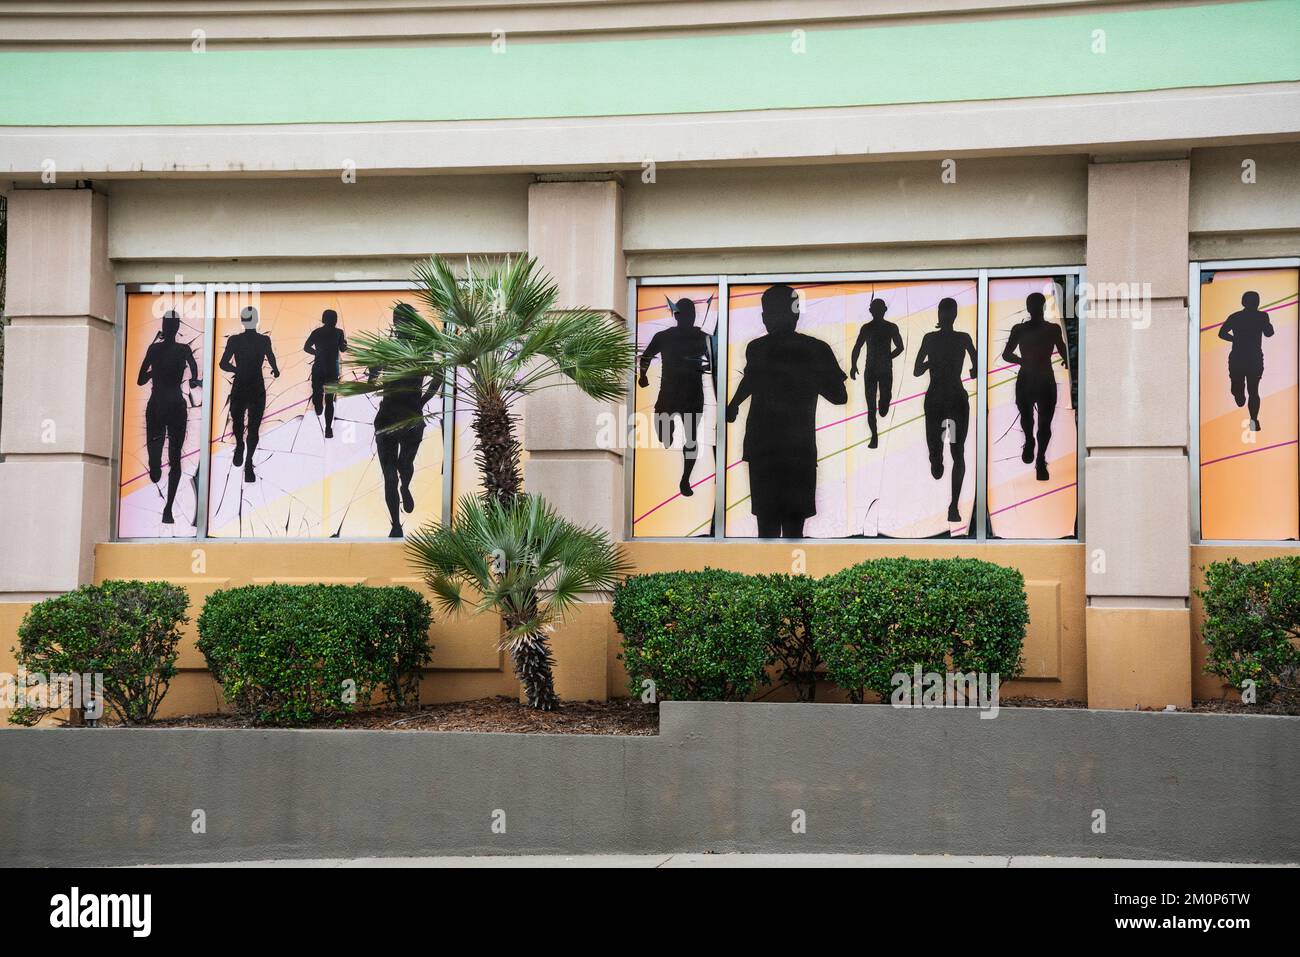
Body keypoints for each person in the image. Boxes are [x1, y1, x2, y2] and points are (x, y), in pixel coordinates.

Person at [726, 284, 847, 538]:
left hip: (765, 449)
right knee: (794, 527)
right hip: (796, 450)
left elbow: (749, 381)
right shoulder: (816, 349)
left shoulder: (757, 348)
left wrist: (734, 405)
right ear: (796, 314)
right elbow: (839, 396)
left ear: (764, 316)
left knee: (767, 527)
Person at [371, 303, 443, 538]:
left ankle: (405, 487)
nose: (400, 325)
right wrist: (422, 401)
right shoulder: (413, 348)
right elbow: (438, 376)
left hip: (404, 415)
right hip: (395, 416)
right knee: (391, 474)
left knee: (403, 467)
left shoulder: (415, 348)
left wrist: (423, 402)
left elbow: (438, 376)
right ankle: (395, 524)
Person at [638, 297, 712, 497]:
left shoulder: (701, 337)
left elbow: (714, 361)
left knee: (690, 438)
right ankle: (668, 435)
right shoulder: (666, 336)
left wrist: (643, 376)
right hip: (672, 393)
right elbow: (646, 357)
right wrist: (642, 376)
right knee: (670, 434)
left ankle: (685, 479)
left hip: (689, 394)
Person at [914, 298, 977, 525]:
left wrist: (973, 369)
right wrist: (932, 364)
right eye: (946, 312)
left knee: (957, 451)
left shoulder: (962, 338)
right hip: (939, 400)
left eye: (950, 312)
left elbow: (976, 359)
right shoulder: (931, 339)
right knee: (941, 446)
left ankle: (953, 505)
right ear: (942, 315)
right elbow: (916, 369)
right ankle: (936, 457)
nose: (948, 316)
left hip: (952, 399)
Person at [137, 309, 200, 525]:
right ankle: (168, 508)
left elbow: (141, 379)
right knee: (174, 460)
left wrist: (156, 372)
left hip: (161, 405)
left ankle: (168, 508)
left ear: (165, 327)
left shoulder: (156, 349)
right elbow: (194, 371)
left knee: (171, 459)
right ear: (177, 328)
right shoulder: (182, 350)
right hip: (173, 405)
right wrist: (193, 380)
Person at [1002, 292, 1068, 482]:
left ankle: (1037, 453)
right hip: (1041, 377)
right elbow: (1063, 350)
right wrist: (1067, 360)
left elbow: (1007, 354)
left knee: (1035, 420)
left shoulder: (1027, 329)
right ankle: (1036, 451)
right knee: (1039, 422)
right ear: (1042, 307)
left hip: (1032, 376)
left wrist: (1022, 361)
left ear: (1029, 308)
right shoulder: (1048, 329)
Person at [219, 305, 279, 483]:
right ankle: (247, 460)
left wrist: (237, 369)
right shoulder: (263, 340)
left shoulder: (235, 340)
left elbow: (223, 364)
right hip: (256, 386)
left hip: (241, 384)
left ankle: (241, 448)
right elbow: (271, 357)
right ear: (256, 320)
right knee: (253, 427)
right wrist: (275, 370)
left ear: (243, 321)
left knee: (239, 422)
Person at [849, 297, 905, 448]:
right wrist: (853, 365)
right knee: (871, 407)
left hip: (882, 369)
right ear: (872, 311)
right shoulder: (867, 328)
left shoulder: (890, 327)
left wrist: (888, 356)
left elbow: (900, 347)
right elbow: (857, 347)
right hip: (873, 370)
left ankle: (885, 402)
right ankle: (874, 436)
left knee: (879, 405)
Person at [1218, 290, 1273, 431]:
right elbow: (1269, 333)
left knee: (1252, 391)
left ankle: (1253, 419)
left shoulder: (1236, 317)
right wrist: (1267, 324)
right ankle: (1241, 397)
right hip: (1252, 358)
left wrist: (1235, 339)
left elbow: (1222, 333)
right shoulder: (1261, 316)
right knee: (1253, 391)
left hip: (1240, 357)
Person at [304, 308, 348, 438]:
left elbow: (306, 347)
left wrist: (316, 353)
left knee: (317, 393)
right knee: (329, 400)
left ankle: (318, 407)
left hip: (318, 367)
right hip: (332, 370)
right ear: (335, 320)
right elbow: (342, 348)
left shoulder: (317, 332)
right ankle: (328, 428)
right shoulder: (339, 332)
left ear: (324, 319)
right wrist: (345, 345)